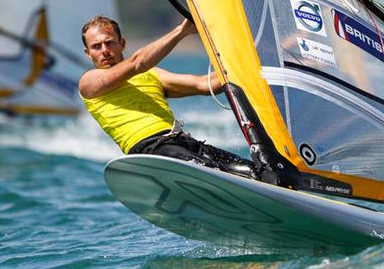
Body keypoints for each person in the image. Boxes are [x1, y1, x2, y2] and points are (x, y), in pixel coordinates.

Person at [78, 15, 256, 178]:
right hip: (151, 151)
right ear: (88, 53)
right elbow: (136, 63)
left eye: (109, 43)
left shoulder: (152, 74)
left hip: (183, 143)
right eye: (96, 46)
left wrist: (246, 60)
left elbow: (205, 84)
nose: (104, 50)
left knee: (255, 173)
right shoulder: (89, 82)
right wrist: (182, 31)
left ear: (122, 43)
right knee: (213, 171)